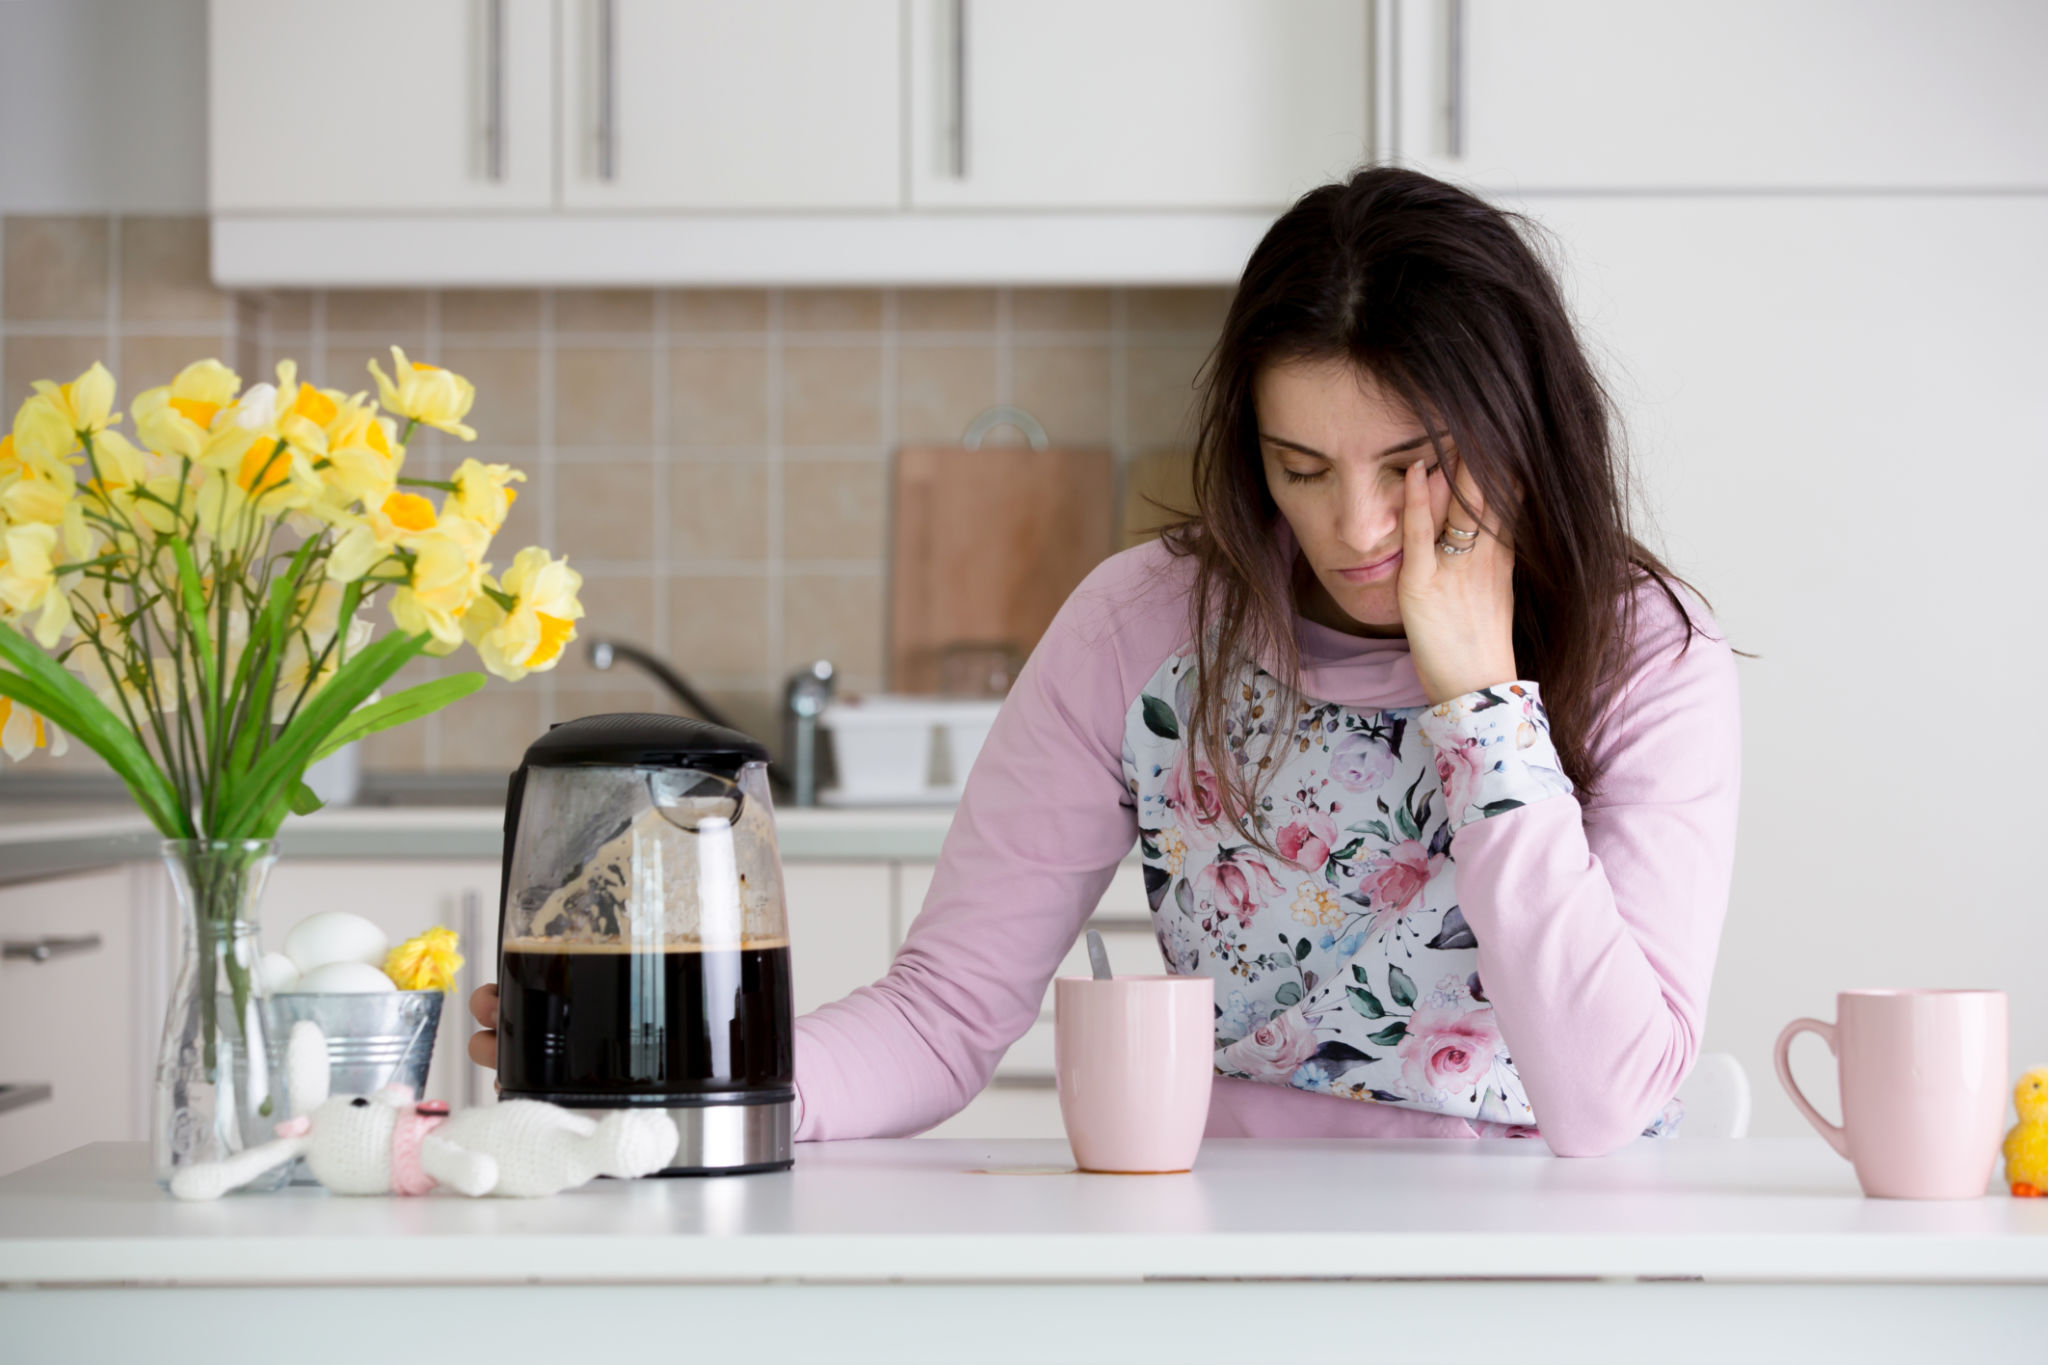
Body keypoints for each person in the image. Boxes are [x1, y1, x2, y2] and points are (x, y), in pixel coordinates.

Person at [469, 166, 1740, 1157]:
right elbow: (942, 1015)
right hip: (1224, 1251)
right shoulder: (1143, 626)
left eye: (1410, 468)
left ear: (1518, 425)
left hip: (1548, 1261)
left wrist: (1479, 705)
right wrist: (688, 1087)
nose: (1356, 528)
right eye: (1300, 469)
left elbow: (1604, 1103)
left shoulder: (1642, 655)